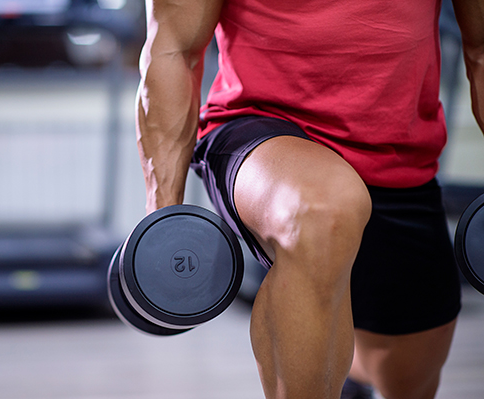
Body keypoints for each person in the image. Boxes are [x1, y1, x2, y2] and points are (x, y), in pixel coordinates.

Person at [134, 0, 484, 398]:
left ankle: (344, 368)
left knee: (405, 375)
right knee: (320, 211)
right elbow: (173, 49)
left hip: (399, 158)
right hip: (259, 130)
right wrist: (163, 224)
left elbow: (481, 47)